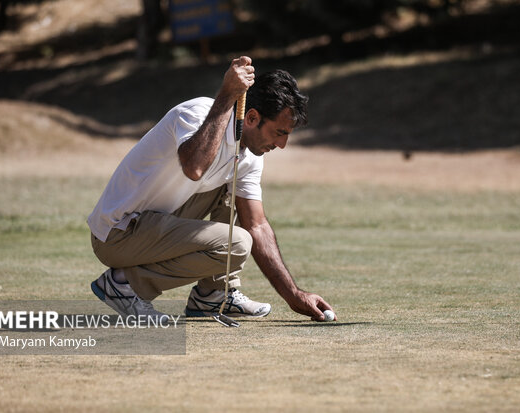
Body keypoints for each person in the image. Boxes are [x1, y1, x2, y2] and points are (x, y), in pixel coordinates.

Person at [87, 56, 336, 322]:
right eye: (279, 132)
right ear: (251, 117)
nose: (283, 144)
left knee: (234, 197)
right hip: (118, 234)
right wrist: (227, 95)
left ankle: (213, 294)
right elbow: (195, 167)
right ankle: (125, 285)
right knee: (237, 244)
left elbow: (257, 224)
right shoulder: (197, 112)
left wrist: (294, 295)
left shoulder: (251, 156)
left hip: (155, 226)